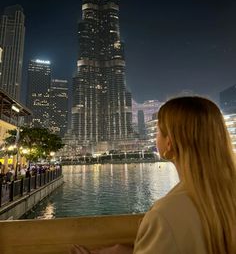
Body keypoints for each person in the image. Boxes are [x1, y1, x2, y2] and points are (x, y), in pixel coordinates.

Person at [71, 97, 236, 254]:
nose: (155, 137)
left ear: (169, 143)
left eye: (157, 131)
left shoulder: (165, 214)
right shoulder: (224, 196)